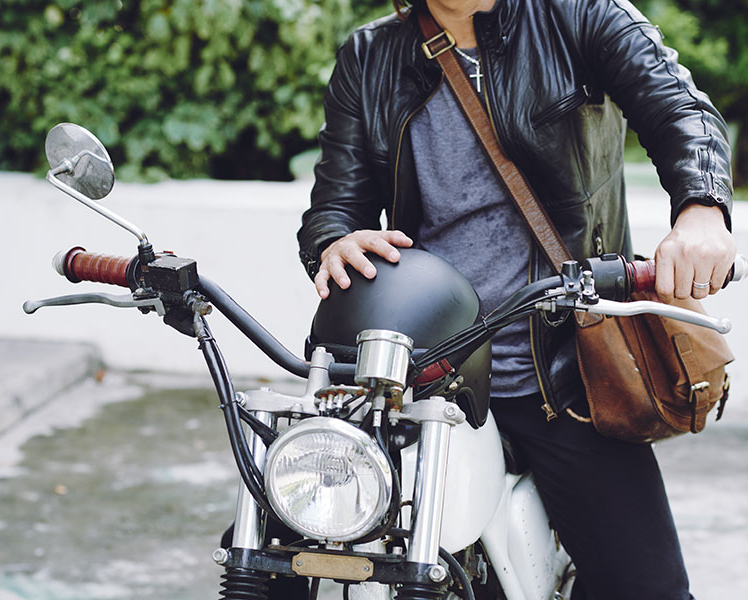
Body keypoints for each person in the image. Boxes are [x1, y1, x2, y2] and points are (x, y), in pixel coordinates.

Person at [297, 0, 735, 598]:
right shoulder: (370, 56)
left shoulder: (578, 15)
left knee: (647, 587)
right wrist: (335, 241)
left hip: (564, 372)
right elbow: (335, 207)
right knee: (294, 540)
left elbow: (680, 109)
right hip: (429, 377)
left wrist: (702, 208)